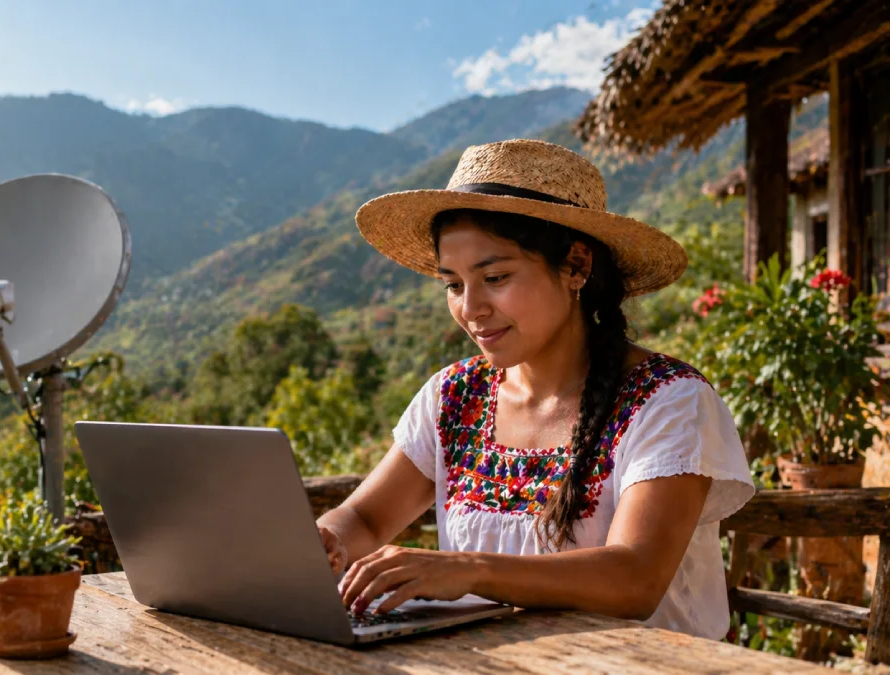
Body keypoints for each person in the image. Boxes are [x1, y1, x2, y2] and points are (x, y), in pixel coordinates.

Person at [317, 139, 754, 640]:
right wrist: (329, 539)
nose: (471, 308)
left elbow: (636, 578)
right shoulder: (455, 398)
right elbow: (366, 518)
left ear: (576, 267)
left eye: (495, 276)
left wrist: (470, 569)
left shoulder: (668, 400)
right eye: (453, 285)